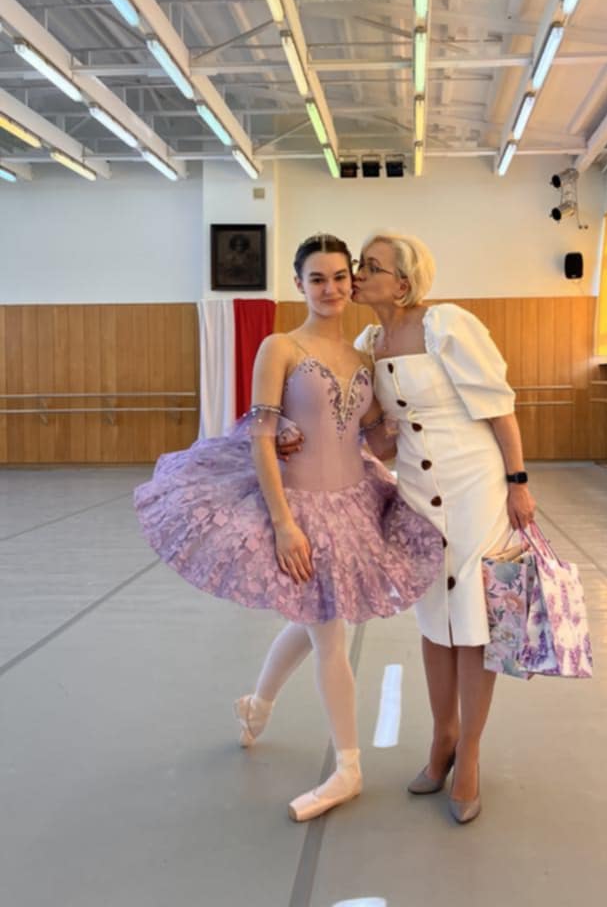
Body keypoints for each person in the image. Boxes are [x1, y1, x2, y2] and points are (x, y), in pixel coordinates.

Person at [133, 234, 443, 823]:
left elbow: (373, 438)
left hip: (352, 504)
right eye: (317, 279)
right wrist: (283, 523)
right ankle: (349, 766)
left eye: (339, 277)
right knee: (330, 635)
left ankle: (257, 703)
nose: (330, 289)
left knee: (315, 617)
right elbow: (260, 436)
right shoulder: (280, 346)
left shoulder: (363, 357)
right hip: (300, 508)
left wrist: (416, 419)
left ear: (352, 281)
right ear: (299, 284)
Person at [351, 232, 536, 824]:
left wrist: (518, 481)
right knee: (434, 619)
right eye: (359, 263)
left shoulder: (447, 325)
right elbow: (383, 439)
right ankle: (442, 738)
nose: (357, 273)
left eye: (371, 266)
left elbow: (499, 408)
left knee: (474, 622)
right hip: (417, 492)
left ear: (403, 282)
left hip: (474, 484)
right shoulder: (367, 344)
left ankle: (470, 754)